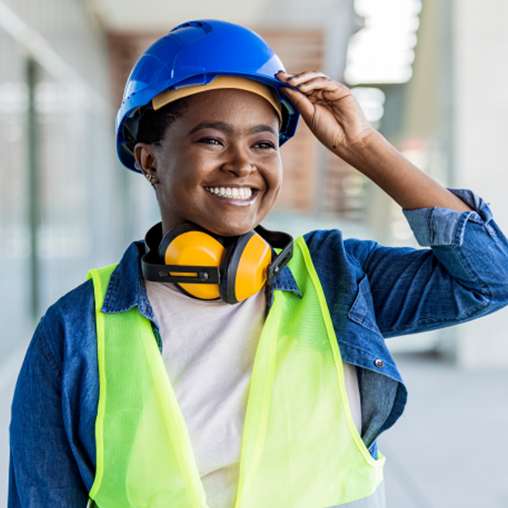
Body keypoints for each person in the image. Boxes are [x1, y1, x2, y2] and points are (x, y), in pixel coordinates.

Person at [9, 19, 508, 508]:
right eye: (211, 140)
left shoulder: (338, 279)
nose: (243, 164)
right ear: (150, 161)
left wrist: (361, 146)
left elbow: (490, 277)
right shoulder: (75, 330)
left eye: (263, 143)